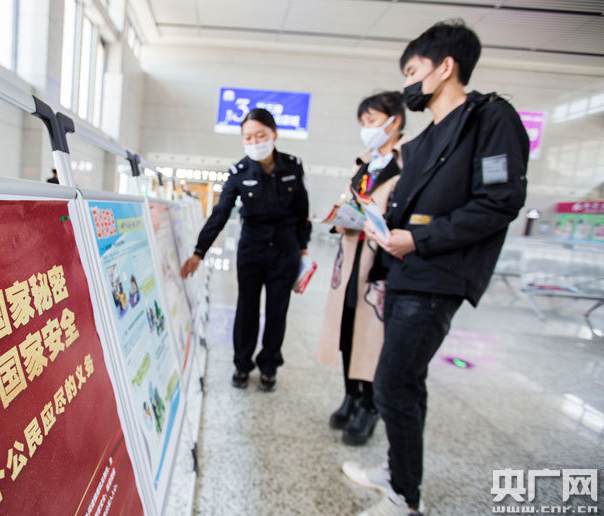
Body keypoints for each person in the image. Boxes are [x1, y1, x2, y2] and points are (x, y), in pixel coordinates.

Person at [342, 20, 529, 516]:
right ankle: (400, 475)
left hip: (437, 276)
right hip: (405, 272)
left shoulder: (489, 119)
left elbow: (499, 202)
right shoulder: (423, 142)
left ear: (446, 67)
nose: (407, 83)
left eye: (412, 71)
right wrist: (385, 238)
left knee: (391, 386)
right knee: (407, 383)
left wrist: (419, 238)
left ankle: (405, 497)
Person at [180, 108, 311, 392]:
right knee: (246, 309)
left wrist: (303, 249)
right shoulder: (239, 172)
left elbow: (302, 211)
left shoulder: (292, 166)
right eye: (248, 137)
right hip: (252, 250)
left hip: (285, 251)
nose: (254, 142)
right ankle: (241, 364)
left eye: (260, 135)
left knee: (277, 311)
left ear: (274, 134)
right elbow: (220, 213)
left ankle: (269, 367)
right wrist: (199, 252)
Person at [316, 91, 405, 446]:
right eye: (363, 123)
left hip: (382, 261)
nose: (367, 129)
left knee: (373, 335)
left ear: (394, 121)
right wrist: (341, 218)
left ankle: (370, 405)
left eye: (372, 121)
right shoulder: (364, 163)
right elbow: (347, 200)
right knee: (348, 326)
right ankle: (351, 394)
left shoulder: (408, 163)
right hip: (352, 256)